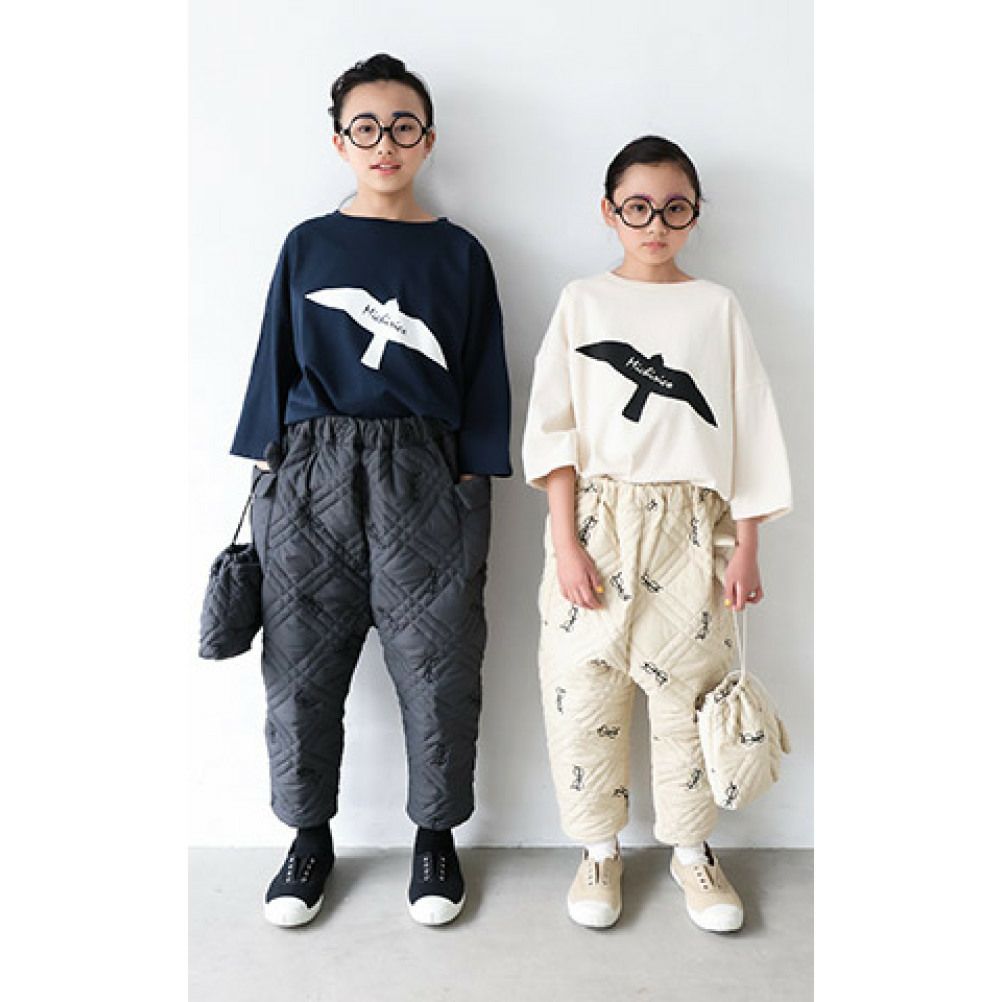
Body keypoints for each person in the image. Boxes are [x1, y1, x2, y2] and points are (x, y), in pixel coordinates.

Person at [230, 53, 512, 928]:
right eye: (365, 127)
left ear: (428, 139)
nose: (384, 142)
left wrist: (470, 475)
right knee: (300, 668)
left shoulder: (459, 253)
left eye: (401, 126)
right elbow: (274, 359)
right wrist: (268, 469)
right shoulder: (309, 246)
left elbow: (484, 373)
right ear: (339, 142)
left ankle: (436, 837)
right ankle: (307, 839)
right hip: (311, 471)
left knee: (440, 667)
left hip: (427, 472)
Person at [522, 135, 792, 932]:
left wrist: (746, 544)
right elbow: (553, 427)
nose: (656, 225)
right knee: (582, 689)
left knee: (689, 697)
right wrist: (567, 543)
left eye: (675, 209)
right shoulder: (582, 302)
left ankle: (692, 853)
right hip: (597, 520)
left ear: (695, 214)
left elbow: (749, 429)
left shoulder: (716, 307)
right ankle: (598, 850)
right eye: (637, 208)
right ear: (609, 212)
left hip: (691, 528)